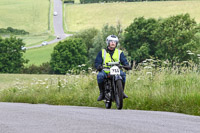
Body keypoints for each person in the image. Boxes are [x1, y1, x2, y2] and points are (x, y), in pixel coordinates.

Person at [95, 35, 131, 101]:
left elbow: (124, 61)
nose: (113, 43)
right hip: (105, 70)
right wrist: (98, 66)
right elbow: (97, 62)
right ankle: (102, 93)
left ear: (116, 43)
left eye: (115, 42)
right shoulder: (102, 52)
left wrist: (126, 66)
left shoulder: (119, 52)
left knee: (123, 75)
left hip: (116, 70)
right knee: (100, 76)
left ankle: (121, 92)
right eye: (111, 41)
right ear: (108, 42)